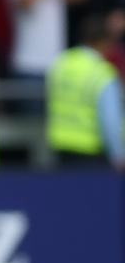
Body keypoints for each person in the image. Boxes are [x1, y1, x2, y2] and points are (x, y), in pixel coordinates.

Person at [46, 14, 125, 170]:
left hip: (59, 149)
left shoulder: (61, 62)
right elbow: (110, 121)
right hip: (91, 154)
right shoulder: (103, 73)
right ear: (104, 42)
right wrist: (119, 156)